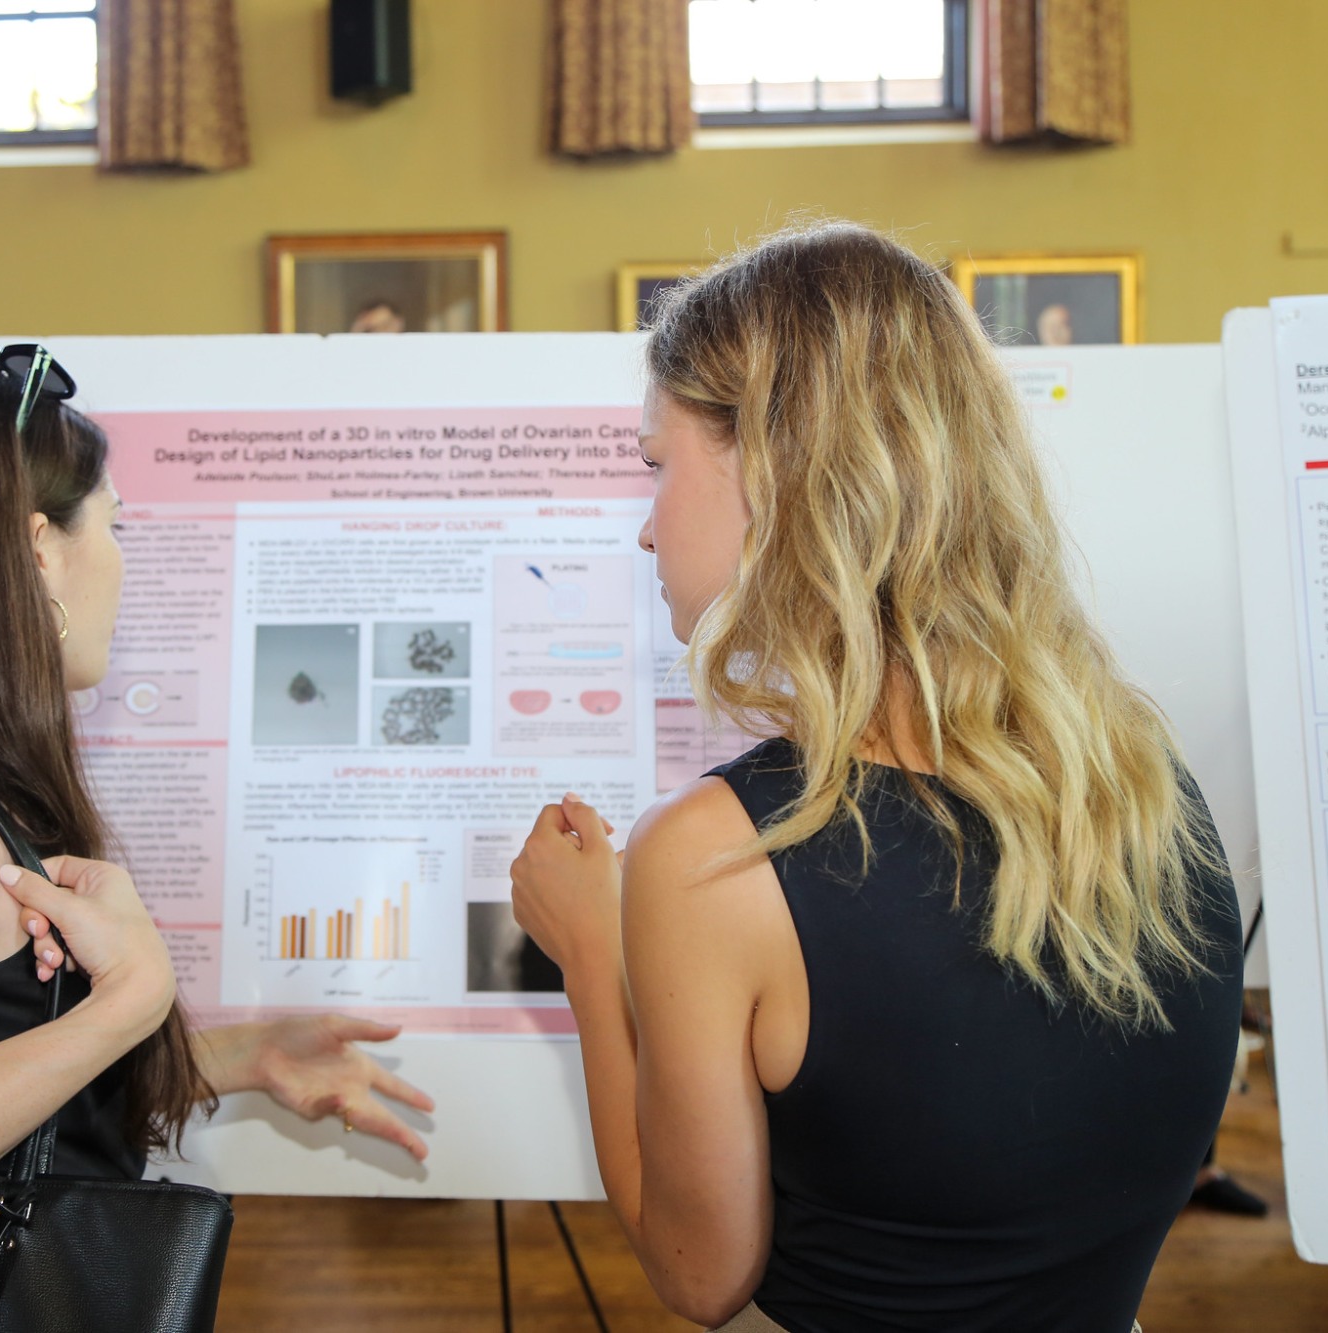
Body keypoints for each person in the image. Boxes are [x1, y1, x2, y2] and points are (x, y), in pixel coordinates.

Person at [510, 224, 1243, 1332]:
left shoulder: (716, 859)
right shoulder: (1138, 780)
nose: (646, 527)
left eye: (659, 467)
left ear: (769, 466)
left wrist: (590, 955)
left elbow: (696, 1268)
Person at [0, 348, 432, 1273]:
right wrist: (124, 1009)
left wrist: (240, 1054)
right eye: (114, 524)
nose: (121, 558)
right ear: (38, 550)